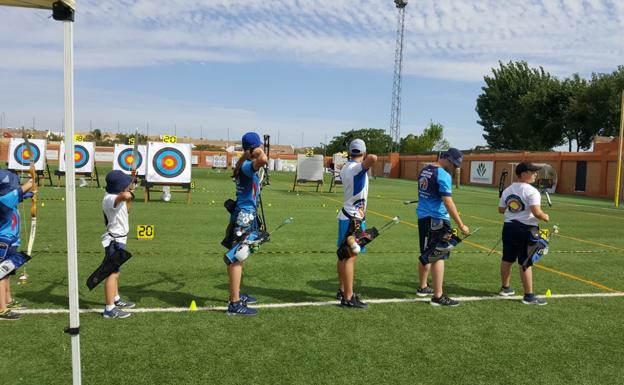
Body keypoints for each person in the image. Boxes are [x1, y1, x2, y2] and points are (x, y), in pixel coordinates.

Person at [416, 148, 469, 307]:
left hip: (424, 218)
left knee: (427, 253)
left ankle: (423, 287)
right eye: (453, 163)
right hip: (437, 219)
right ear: (446, 158)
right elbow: (448, 202)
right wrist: (461, 224)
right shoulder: (443, 175)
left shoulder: (425, 170)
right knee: (439, 255)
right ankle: (438, 296)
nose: (454, 167)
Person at [222, 132, 267, 316]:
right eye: (259, 146)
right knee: (237, 258)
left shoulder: (244, 163)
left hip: (245, 215)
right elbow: (263, 159)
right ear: (253, 148)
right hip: (244, 217)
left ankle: (237, 293)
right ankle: (234, 303)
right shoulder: (248, 166)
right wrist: (258, 151)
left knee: (240, 256)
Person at [497, 162, 549, 305]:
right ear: (524, 173)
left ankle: (505, 288)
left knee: (507, 258)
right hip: (526, 229)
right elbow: (536, 213)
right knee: (525, 261)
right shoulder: (532, 191)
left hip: (509, 227)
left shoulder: (508, 189)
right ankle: (529, 296)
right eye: (532, 172)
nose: (535, 174)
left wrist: (514, 208)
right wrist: (545, 216)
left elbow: (501, 210)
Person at [336, 139, 377, 308]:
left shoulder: (346, 166)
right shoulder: (356, 168)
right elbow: (373, 158)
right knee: (350, 257)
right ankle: (348, 297)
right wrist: (365, 162)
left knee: (342, 255)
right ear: (363, 152)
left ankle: (343, 290)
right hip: (354, 219)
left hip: (346, 216)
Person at [100, 170, 137, 318]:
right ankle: (109, 309)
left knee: (116, 272)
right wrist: (129, 189)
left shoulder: (116, 197)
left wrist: (129, 185)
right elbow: (126, 195)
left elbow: (127, 209)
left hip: (120, 240)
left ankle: (116, 299)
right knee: (112, 273)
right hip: (114, 241)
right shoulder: (110, 199)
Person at [0, 170, 33, 321]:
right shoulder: (5, 200)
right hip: (3, 242)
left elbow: (19, 195)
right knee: (1, 274)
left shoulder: (6, 199)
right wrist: (33, 182)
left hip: (9, 241)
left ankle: (8, 301)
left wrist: (29, 195)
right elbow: (24, 188)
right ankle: (2, 309)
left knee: (6, 274)